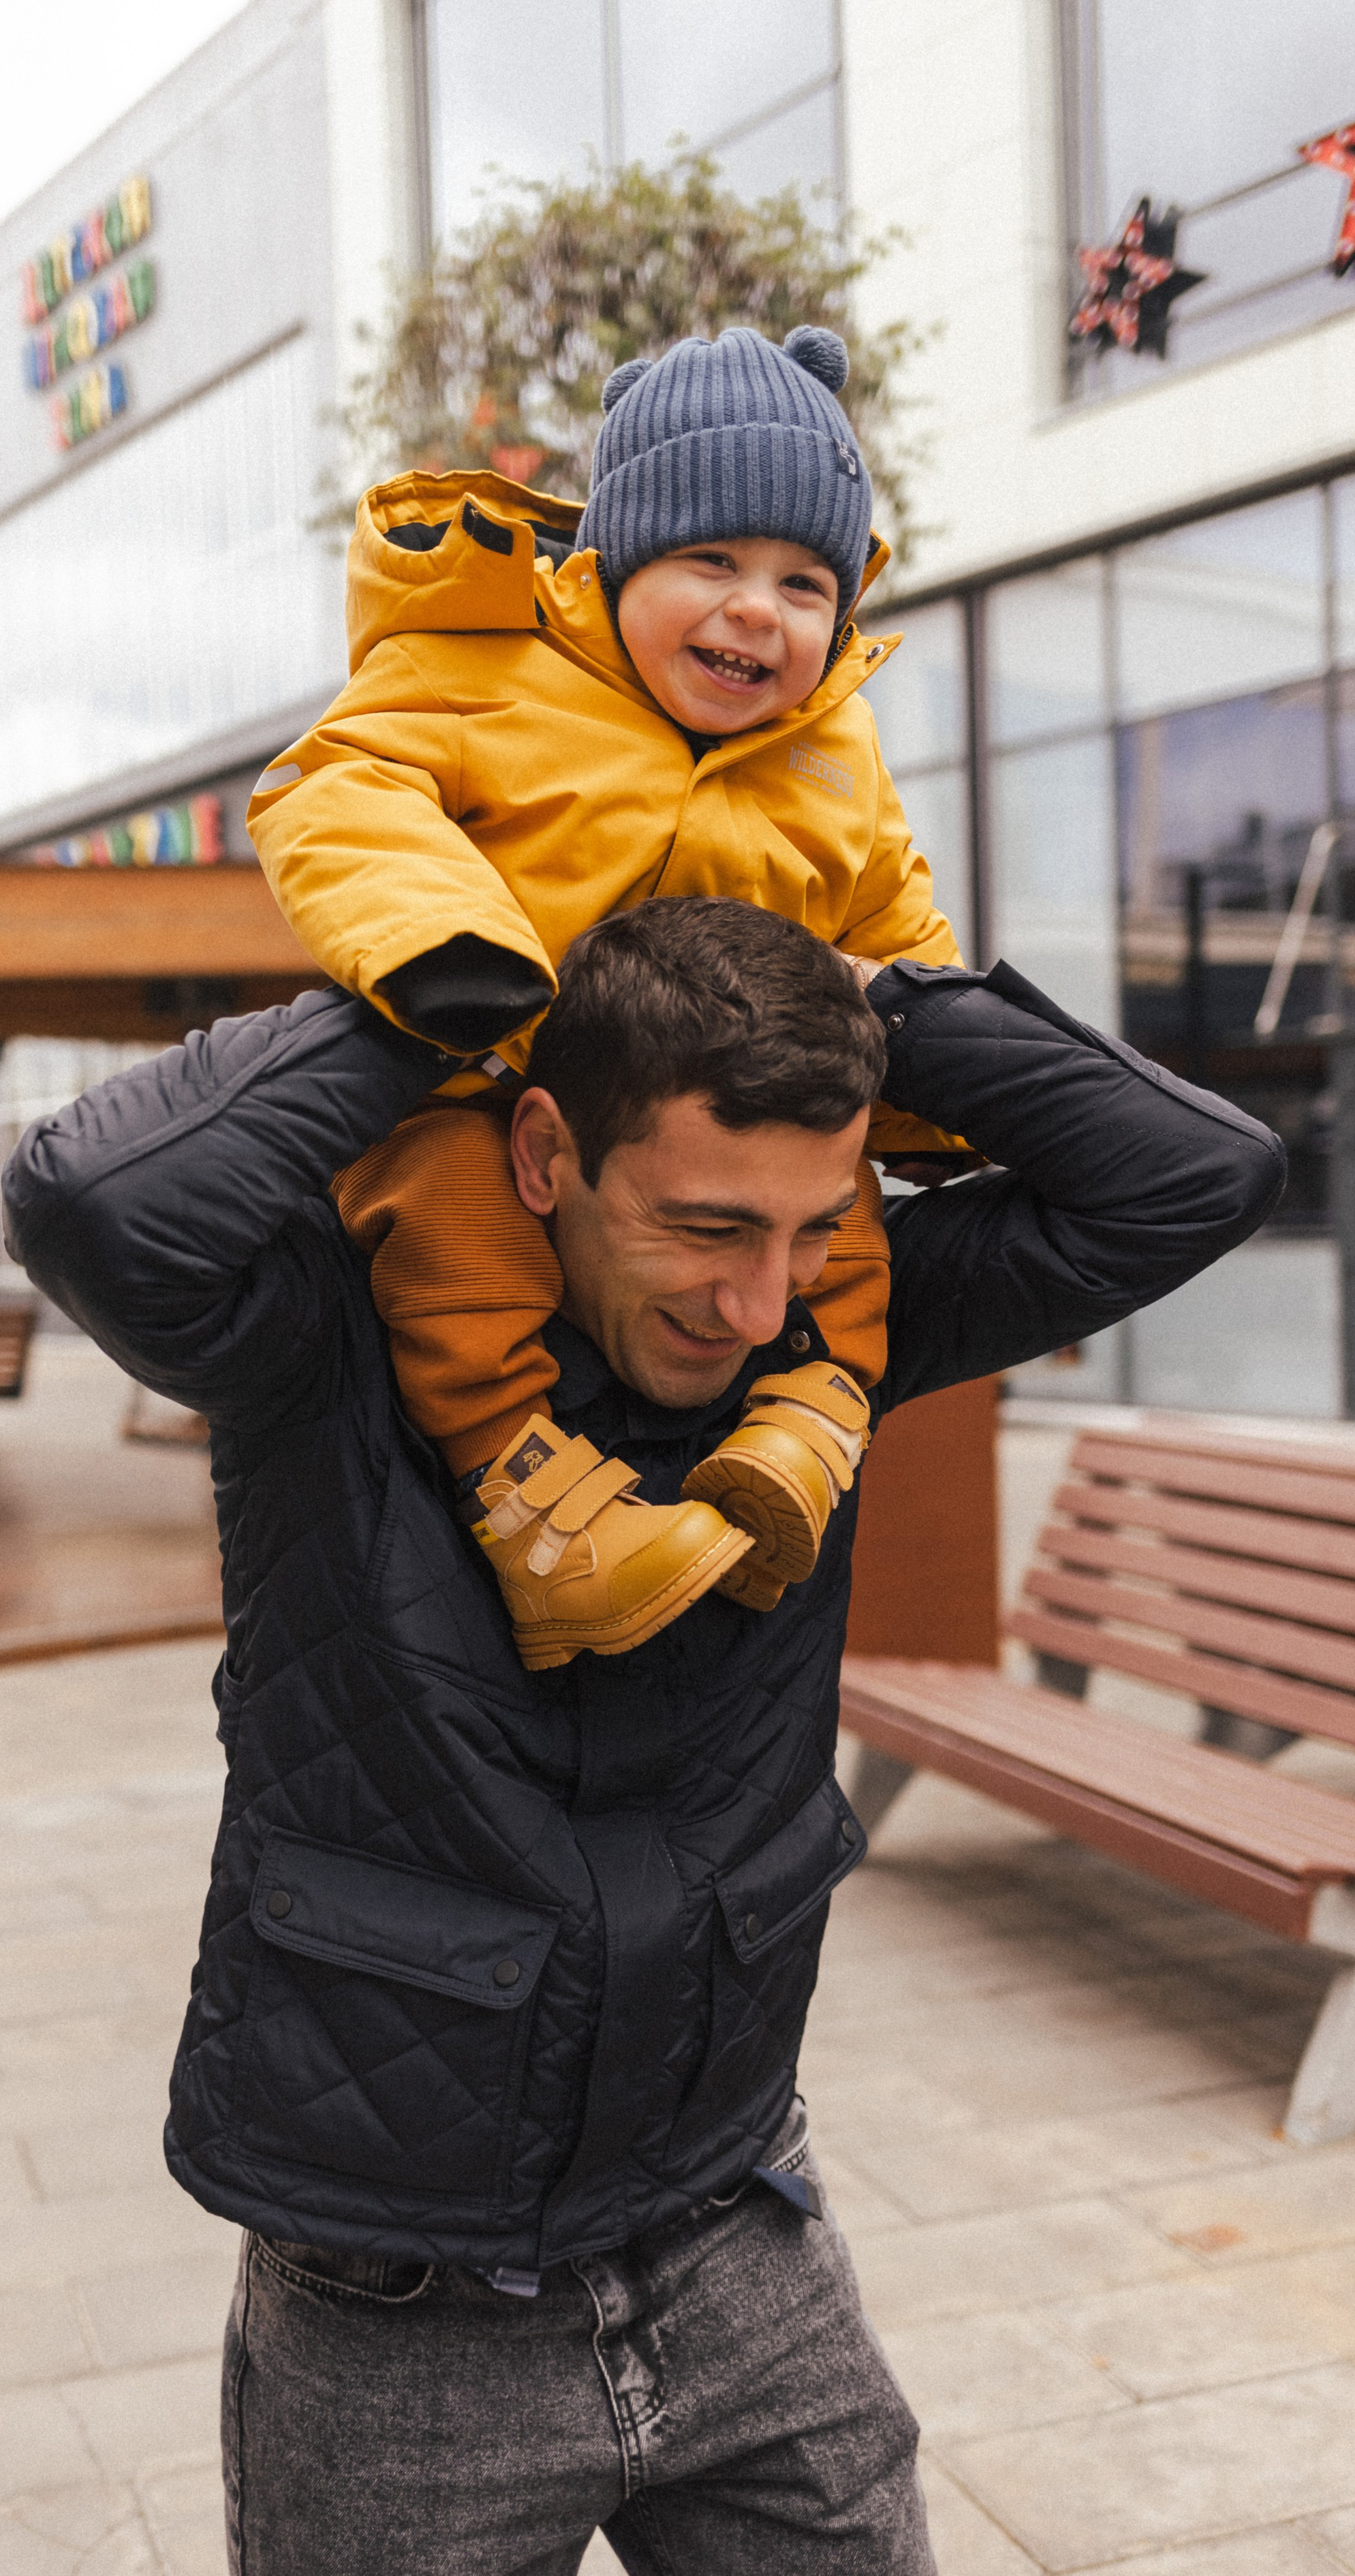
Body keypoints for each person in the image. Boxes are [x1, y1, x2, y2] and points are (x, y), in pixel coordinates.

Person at [3, 895, 1283, 2576]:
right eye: (702, 1228)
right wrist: (456, 999)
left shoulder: (822, 1332)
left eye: (810, 1226)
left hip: (743, 2244)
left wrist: (872, 991)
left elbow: (1195, 1173)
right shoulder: (327, 1337)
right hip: (402, 2328)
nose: (760, 1302)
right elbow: (94, 1196)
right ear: (544, 1150)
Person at [249, 325, 970, 1663]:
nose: (759, 609)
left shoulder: (830, 751)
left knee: (837, 1220)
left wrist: (941, 1075)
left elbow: (888, 917)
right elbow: (337, 793)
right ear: (615, 558)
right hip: (500, 1077)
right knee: (440, 1219)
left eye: (805, 583)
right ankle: (533, 1506)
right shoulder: (482, 671)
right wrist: (441, 947)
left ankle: (810, 1424)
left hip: (738, 1114)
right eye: (711, 562)